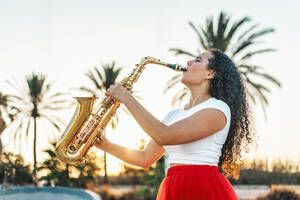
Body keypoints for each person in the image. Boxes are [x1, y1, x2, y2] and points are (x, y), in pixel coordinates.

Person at [94, 49, 254, 199]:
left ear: (211, 73)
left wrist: (127, 99)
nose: (189, 62)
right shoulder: (173, 116)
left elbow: (165, 136)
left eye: (198, 60)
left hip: (204, 187)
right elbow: (144, 158)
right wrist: (105, 145)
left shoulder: (218, 108)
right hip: (173, 187)